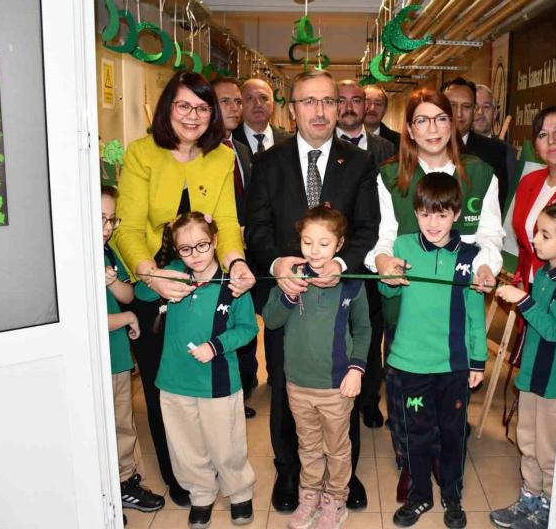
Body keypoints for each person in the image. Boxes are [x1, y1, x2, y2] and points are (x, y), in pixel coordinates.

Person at [115, 70, 255, 507]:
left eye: (202, 107)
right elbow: (127, 228)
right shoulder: (141, 154)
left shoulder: (221, 157)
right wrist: (150, 275)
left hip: (208, 283)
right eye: (183, 106)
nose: (193, 116)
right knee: (166, 390)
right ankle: (185, 477)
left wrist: (236, 263)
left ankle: (223, 471)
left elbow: (227, 222)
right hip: (152, 288)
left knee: (212, 382)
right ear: (167, 108)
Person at [246, 70, 380, 513]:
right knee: (287, 388)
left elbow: (368, 227)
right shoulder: (268, 162)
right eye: (309, 101)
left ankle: (345, 473)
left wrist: (341, 265)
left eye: (328, 101)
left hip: (339, 299)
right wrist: (277, 264)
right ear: (292, 109)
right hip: (288, 299)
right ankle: (289, 472)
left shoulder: (359, 162)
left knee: (343, 388)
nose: (320, 111)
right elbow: (258, 226)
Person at [364, 88, 503, 503]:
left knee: (449, 395)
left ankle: (444, 459)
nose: (433, 128)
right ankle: (411, 462)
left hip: (456, 308)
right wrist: (382, 261)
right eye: (421, 120)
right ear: (408, 128)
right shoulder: (390, 176)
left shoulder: (479, 173)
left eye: (441, 118)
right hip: (406, 306)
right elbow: (382, 237)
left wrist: (486, 267)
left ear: (453, 122)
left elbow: (490, 235)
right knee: (405, 395)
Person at [136, 212, 258, 529]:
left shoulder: (233, 285)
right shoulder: (174, 274)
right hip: (174, 382)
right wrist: (156, 275)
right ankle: (201, 495)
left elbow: (247, 328)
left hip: (218, 383)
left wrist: (216, 346)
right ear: (177, 251)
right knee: (186, 447)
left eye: (202, 245)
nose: (196, 255)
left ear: (215, 241)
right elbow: (141, 293)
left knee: (226, 444)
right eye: (186, 249)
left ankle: (239, 492)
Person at [379, 172, 487, 529]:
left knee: (454, 433)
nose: (433, 223)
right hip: (411, 364)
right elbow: (389, 294)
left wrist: (477, 360)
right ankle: (420, 494)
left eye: (442, 215)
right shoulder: (402, 247)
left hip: (453, 365)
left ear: (456, 214)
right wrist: (388, 278)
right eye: (425, 214)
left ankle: (452, 495)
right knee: (417, 433)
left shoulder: (470, 256)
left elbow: (475, 313)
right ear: (416, 213)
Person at [262, 206, 372, 529]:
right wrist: (287, 294)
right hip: (297, 384)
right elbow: (270, 320)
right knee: (307, 446)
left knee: (337, 449)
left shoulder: (351, 283)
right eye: (307, 242)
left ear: (339, 244)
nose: (314, 250)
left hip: (337, 387)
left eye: (324, 243)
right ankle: (309, 495)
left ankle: (336, 499)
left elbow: (364, 329)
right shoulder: (290, 276)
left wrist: (356, 369)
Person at [491, 201, 556, 529]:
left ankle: (548, 508)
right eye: (537, 232)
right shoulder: (542, 273)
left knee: (548, 450)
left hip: (551, 383)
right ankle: (529, 496)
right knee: (526, 440)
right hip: (531, 376)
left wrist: (523, 300)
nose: (535, 240)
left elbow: (553, 329)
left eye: (545, 235)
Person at [102, 185, 165, 515]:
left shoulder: (108, 254)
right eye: (100, 219)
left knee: (123, 422)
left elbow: (128, 295)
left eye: (112, 220)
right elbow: (87, 320)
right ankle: (106, 488)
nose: (107, 228)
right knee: (103, 426)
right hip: (97, 359)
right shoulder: (74, 261)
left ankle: (124, 482)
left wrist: (112, 281)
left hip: (118, 357)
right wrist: (126, 318)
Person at [336, 79, 396, 430]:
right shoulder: (322, 147)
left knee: (370, 331)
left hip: (373, 256)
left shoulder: (385, 148)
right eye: (341, 100)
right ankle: (338, 399)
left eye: (356, 100)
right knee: (335, 331)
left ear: (365, 106)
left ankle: (370, 400)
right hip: (332, 255)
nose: (349, 107)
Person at [212, 76, 258, 418]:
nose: (234, 107)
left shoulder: (240, 149)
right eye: (225, 101)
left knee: (243, 319)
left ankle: (245, 384)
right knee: (219, 324)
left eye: (237, 101)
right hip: (213, 255)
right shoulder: (202, 152)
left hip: (244, 252)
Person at [510, 106, 556, 291]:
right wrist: (520, 279)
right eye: (542, 135)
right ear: (535, 147)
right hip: (531, 288)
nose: (551, 141)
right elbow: (524, 245)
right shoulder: (528, 182)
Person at [442, 77, 516, 210]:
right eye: (452, 105)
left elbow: (500, 205)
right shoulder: (425, 148)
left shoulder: (497, 152)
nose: (459, 114)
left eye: (466, 106)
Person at [232, 78, 293, 155]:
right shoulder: (228, 141)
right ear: (240, 104)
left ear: (273, 104)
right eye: (250, 98)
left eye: (264, 98)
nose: (258, 104)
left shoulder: (290, 142)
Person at [363, 84, 401, 150]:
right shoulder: (344, 139)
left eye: (378, 104)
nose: (372, 108)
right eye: (367, 103)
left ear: (385, 110)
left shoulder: (400, 142)